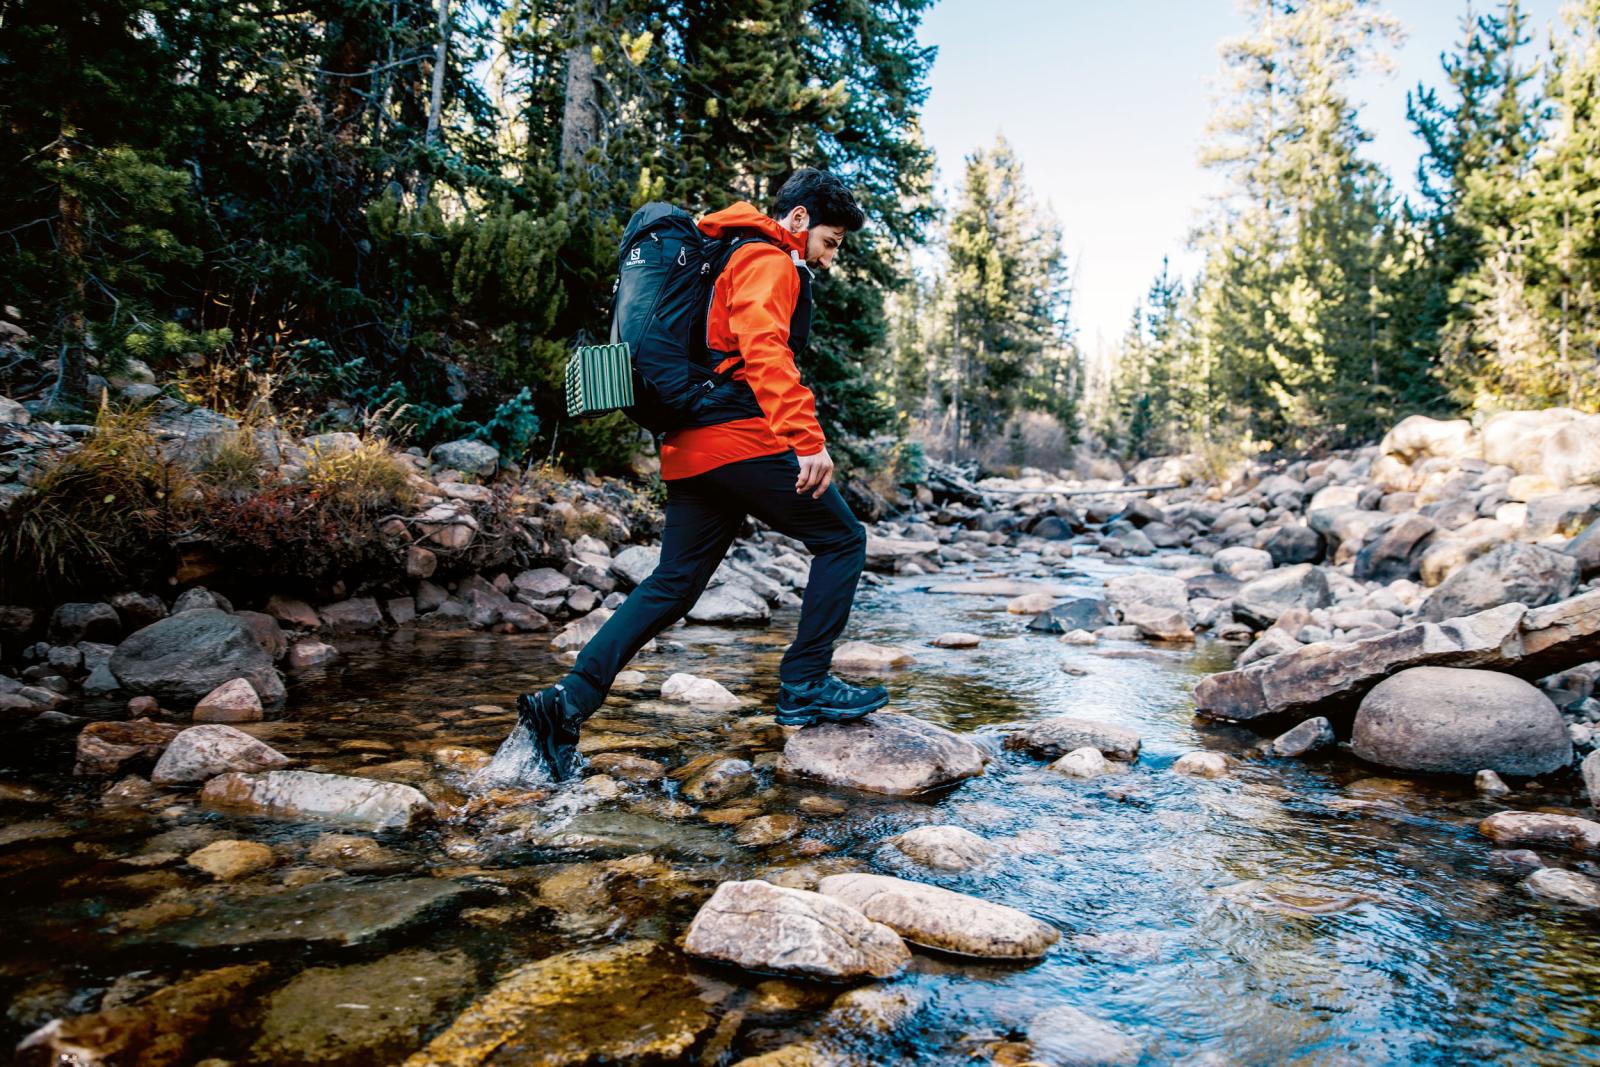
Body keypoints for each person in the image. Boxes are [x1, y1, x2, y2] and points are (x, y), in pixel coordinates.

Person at [515, 168, 890, 781]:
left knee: (673, 583)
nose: (828, 257)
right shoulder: (768, 258)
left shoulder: (723, 254)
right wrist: (805, 440)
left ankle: (566, 704)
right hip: (737, 439)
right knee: (843, 540)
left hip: (688, 447)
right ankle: (805, 685)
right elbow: (765, 349)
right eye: (830, 241)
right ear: (798, 221)